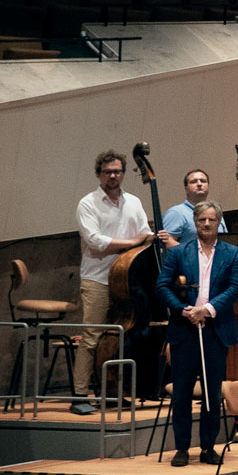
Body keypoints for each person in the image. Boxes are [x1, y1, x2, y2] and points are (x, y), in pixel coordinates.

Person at [156, 201, 238, 466]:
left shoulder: (233, 254)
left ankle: (208, 446)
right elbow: (162, 287)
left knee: (211, 393)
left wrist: (206, 309)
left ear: (218, 223)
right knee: (182, 393)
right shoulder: (178, 253)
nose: (206, 225)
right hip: (184, 330)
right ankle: (182, 448)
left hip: (215, 330)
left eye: (210, 220)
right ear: (194, 223)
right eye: (201, 221)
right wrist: (184, 310)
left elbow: (234, 288)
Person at [74, 149, 153, 414]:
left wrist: (150, 238)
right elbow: (95, 241)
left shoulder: (133, 201)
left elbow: (145, 232)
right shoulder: (88, 203)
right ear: (98, 174)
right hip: (97, 278)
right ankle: (80, 395)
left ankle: (112, 392)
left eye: (117, 171)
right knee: (92, 337)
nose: (113, 176)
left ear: (123, 173)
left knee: (122, 337)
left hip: (128, 280)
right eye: (107, 172)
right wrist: (131, 243)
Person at [158, 167, 213, 247]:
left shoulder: (215, 213)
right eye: (194, 182)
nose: (199, 184)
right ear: (186, 189)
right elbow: (165, 246)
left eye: (203, 181)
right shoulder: (176, 213)